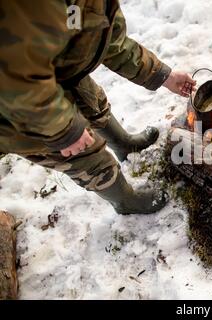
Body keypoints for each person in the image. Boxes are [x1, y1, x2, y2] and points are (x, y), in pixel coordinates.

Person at [0, 1, 196, 214]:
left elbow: (110, 40)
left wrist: (162, 75)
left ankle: (123, 144)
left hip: (58, 73)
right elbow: (14, 80)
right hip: (19, 109)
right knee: (85, 156)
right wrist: (63, 132)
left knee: (93, 103)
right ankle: (125, 202)